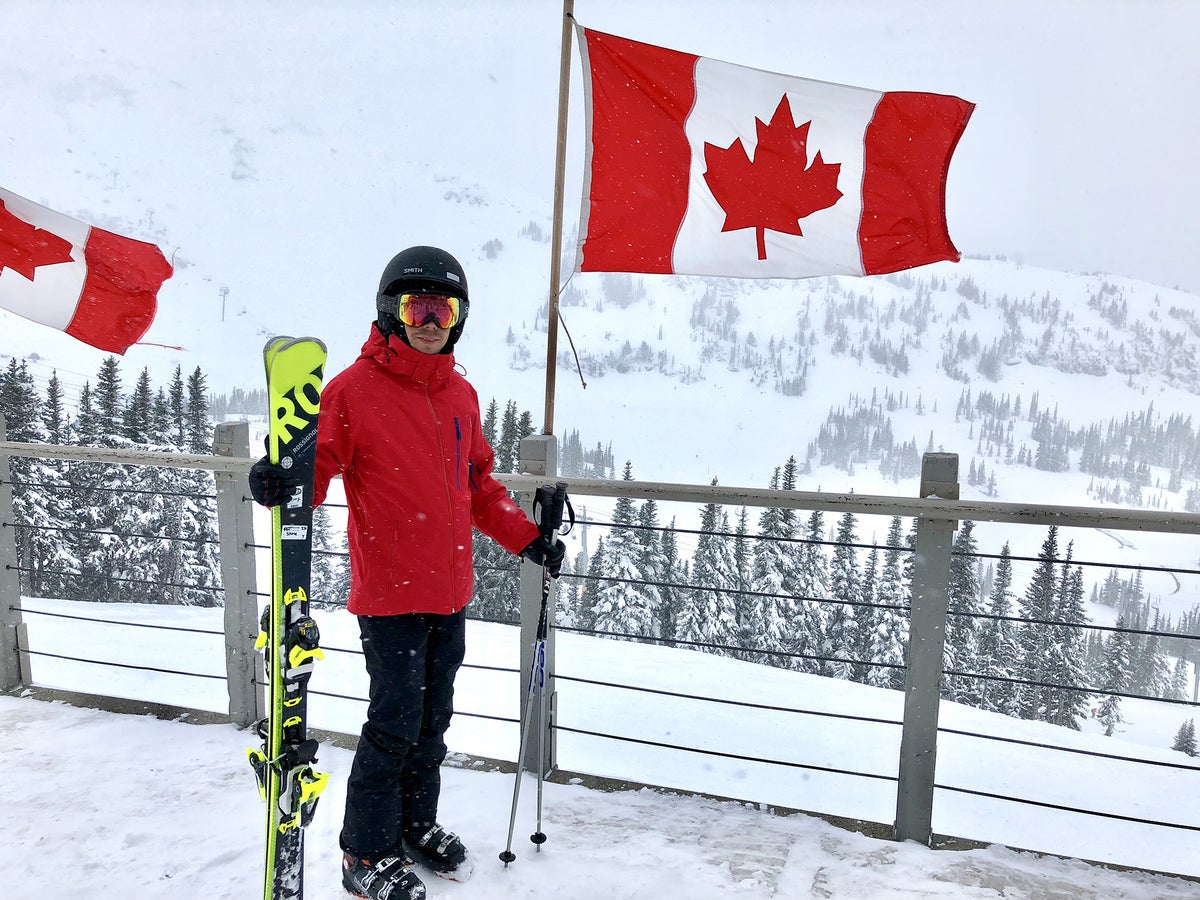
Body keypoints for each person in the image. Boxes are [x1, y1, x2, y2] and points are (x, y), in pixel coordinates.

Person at [249, 245, 566, 900]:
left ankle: (415, 825)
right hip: (389, 599)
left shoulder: (460, 396)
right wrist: (283, 481)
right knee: (394, 724)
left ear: (458, 318)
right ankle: (364, 853)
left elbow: (480, 489)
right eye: (416, 305)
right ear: (390, 311)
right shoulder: (354, 391)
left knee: (433, 724)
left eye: (442, 307)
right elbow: (318, 466)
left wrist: (529, 539)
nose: (429, 319)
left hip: (450, 596)